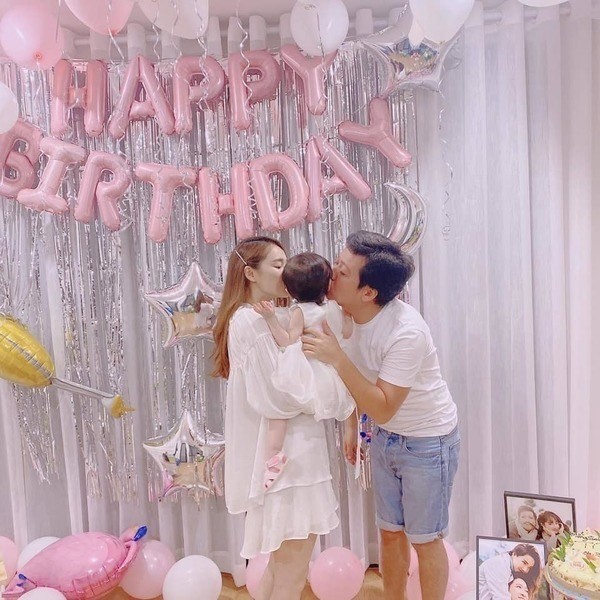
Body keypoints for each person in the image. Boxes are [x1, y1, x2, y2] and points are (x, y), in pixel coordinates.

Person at [301, 231, 460, 600]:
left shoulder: (406, 333)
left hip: (427, 442)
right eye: (336, 263)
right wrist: (351, 424)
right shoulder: (339, 314)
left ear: (368, 292)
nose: (331, 273)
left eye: (342, 271)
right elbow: (362, 382)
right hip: (386, 435)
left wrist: (336, 358)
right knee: (389, 532)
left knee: (425, 539)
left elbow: (384, 404)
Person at [211, 237, 343, 600]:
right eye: (277, 264)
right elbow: (280, 398)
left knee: (282, 570)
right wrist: (326, 394)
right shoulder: (250, 322)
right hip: (290, 464)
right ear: (250, 273)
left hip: (296, 458)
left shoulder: (274, 317)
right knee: (291, 574)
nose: (287, 272)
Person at [252, 252, 354, 490]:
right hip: (327, 373)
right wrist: (347, 316)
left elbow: (288, 340)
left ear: (289, 289)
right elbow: (347, 333)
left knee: (278, 410)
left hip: (306, 370)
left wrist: (271, 319)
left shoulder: (300, 311)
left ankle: (273, 457)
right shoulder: (332, 308)